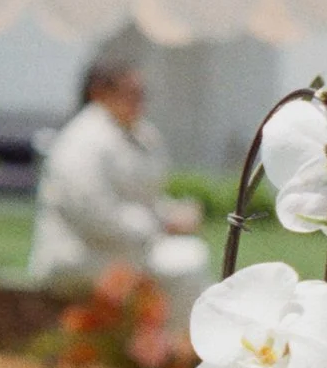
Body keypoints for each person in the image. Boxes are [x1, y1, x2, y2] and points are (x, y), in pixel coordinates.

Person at [27, 55, 207, 306]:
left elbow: (143, 197)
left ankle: (169, 343)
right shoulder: (82, 141)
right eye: (131, 93)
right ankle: (179, 345)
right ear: (99, 92)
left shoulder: (139, 134)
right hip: (79, 256)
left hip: (120, 250)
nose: (139, 101)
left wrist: (172, 212)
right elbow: (94, 215)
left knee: (188, 253)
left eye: (142, 94)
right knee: (188, 263)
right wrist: (162, 223)